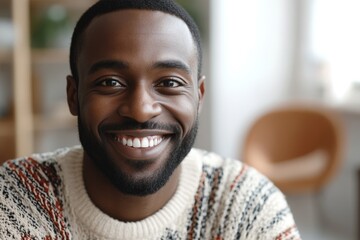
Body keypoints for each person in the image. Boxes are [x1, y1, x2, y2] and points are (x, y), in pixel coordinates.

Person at [0, 0, 301, 239]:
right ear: (73, 95)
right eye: (110, 82)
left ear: (199, 97)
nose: (141, 109)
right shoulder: (14, 200)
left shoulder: (247, 206)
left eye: (169, 83)